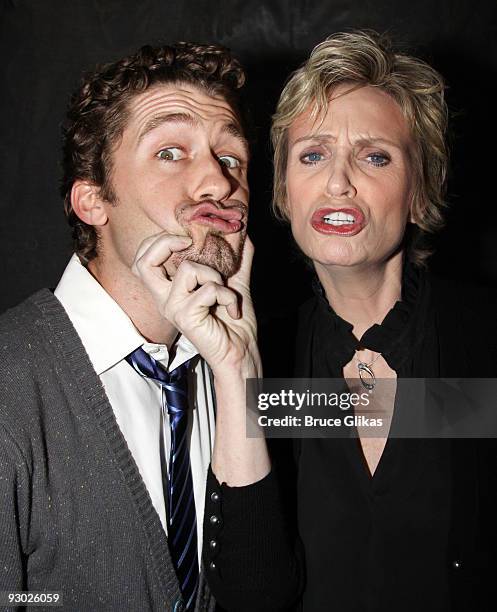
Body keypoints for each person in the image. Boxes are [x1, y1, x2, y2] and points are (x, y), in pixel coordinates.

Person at [200, 31, 497, 611]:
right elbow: (251, 594)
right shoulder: (263, 359)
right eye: (312, 155)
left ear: (418, 190)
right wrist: (240, 376)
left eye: (374, 155)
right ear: (284, 190)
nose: (338, 182)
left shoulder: (484, 337)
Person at [0, 41, 265, 611]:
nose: (219, 184)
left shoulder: (231, 367)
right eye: (171, 152)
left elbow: (446, 412)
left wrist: (242, 375)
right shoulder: (10, 381)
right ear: (93, 201)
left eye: (233, 158)